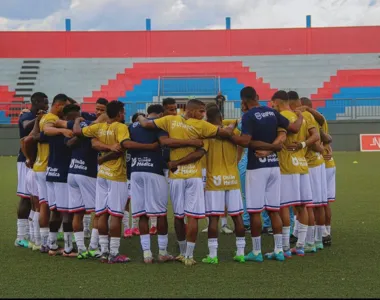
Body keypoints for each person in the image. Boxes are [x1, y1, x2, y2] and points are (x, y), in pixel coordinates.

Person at [137, 99, 235, 266]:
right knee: (191, 217)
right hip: (193, 175)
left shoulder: (170, 120)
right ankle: (187, 255)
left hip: (177, 176)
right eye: (200, 111)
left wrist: (139, 116)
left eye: (204, 112)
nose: (203, 115)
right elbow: (224, 134)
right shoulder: (200, 126)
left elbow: (146, 124)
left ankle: (184, 253)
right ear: (190, 111)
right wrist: (234, 124)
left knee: (180, 216)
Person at [73, 100, 157, 264]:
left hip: (102, 175)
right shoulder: (121, 127)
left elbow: (78, 132)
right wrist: (148, 146)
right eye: (123, 112)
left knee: (102, 213)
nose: (124, 114)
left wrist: (77, 121)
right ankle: (114, 252)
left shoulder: (99, 127)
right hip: (116, 176)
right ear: (119, 113)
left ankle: (104, 252)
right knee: (116, 215)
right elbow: (122, 147)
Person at [232, 86, 303, 262]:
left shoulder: (248, 116)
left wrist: (229, 136)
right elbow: (293, 128)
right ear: (257, 96)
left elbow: (246, 141)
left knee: (255, 211)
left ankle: (256, 252)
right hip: (274, 166)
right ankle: (279, 250)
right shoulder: (271, 112)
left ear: (243, 101)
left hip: (256, 167)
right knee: (274, 210)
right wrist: (301, 115)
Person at [271, 91, 319, 257]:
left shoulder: (280, 117)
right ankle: (300, 245)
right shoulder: (302, 116)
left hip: (287, 167)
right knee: (302, 206)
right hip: (302, 165)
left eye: (273, 102)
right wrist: (303, 144)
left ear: (277, 102)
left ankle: (284, 247)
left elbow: (281, 137)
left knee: (284, 205)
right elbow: (316, 136)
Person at [128, 104, 175, 263]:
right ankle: (162, 252)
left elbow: (126, 144)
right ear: (161, 113)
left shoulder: (133, 125)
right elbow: (164, 142)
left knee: (141, 213)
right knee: (160, 213)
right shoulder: (160, 123)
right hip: (154, 170)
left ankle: (146, 253)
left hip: (135, 171)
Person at [201, 107, 246, 264]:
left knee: (213, 218)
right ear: (221, 117)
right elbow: (242, 144)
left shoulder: (207, 133)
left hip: (215, 180)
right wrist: (238, 158)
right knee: (237, 217)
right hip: (232, 179)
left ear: (207, 118)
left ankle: (213, 255)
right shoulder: (233, 132)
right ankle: (240, 252)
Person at [32, 94, 71, 253]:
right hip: (48, 167)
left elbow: (34, 137)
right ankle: (49, 243)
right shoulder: (51, 118)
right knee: (52, 207)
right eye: (66, 106)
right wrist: (63, 130)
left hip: (40, 167)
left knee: (45, 205)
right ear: (59, 105)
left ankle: (45, 242)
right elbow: (47, 131)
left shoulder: (46, 118)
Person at [288, 92, 326, 252]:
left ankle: (311, 241)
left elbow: (316, 141)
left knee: (307, 205)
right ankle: (316, 240)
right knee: (314, 205)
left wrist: (303, 144)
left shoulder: (302, 116)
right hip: (313, 163)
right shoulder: (308, 116)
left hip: (309, 165)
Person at [43, 103, 79, 257]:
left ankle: (52, 245)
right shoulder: (68, 132)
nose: (77, 119)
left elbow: (39, 134)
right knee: (66, 212)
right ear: (66, 118)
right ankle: (68, 248)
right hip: (62, 174)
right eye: (74, 117)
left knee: (55, 210)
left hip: (51, 172)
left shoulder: (52, 131)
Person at [299, 97, 334, 246]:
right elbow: (327, 138)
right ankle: (324, 233)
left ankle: (312, 238)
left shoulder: (308, 117)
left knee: (311, 204)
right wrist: (326, 145)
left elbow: (319, 140)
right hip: (324, 162)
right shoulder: (319, 119)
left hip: (316, 163)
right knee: (322, 202)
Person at [16, 92, 49, 248]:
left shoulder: (42, 116)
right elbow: (24, 126)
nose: (46, 106)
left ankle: (31, 233)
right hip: (25, 160)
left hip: (37, 161)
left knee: (35, 199)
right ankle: (20, 236)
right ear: (36, 102)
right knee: (25, 197)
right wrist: (39, 118)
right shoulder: (26, 115)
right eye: (44, 103)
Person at [123, 112, 144, 239]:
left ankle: (135, 226)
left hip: (140, 172)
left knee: (139, 200)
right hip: (128, 173)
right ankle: (126, 228)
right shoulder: (128, 134)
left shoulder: (146, 136)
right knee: (127, 200)